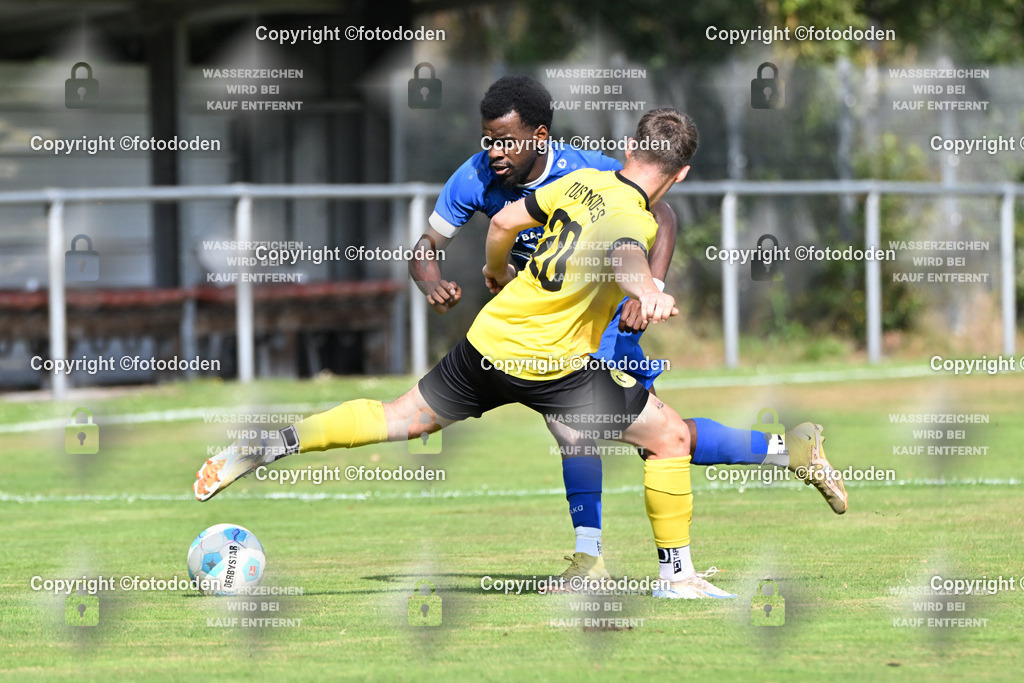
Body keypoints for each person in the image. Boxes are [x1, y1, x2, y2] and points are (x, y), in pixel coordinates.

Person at [194, 108, 847, 599]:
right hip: (557, 369)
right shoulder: (640, 219)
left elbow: (505, 223)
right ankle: (675, 575)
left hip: (491, 341)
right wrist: (646, 285)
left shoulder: (581, 183)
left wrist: (497, 275)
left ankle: (268, 444)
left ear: (627, 148)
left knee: (396, 418)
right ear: (680, 174)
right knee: (669, 438)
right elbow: (624, 250)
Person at [408, 74, 681, 582]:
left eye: (506, 140)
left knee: (654, 437)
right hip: (543, 321)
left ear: (539, 136)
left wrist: (650, 288)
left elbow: (661, 212)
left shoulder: (588, 169)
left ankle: (777, 454)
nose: (493, 151)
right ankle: (592, 559)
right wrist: (430, 282)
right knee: (583, 429)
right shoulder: (472, 178)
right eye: (487, 139)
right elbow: (426, 247)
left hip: (604, 316)